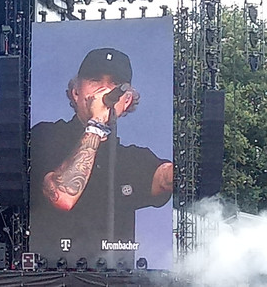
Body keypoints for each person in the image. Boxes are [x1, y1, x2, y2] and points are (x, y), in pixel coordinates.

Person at [29, 48, 173, 267]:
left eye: (115, 83)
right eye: (95, 80)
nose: (105, 89)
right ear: (75, 92)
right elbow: (62, 197)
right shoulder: (45, 136)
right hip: (51, 277)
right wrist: (96, 124)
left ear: (127, 100)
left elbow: (166, 178)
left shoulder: (133, 159)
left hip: (115, 279)